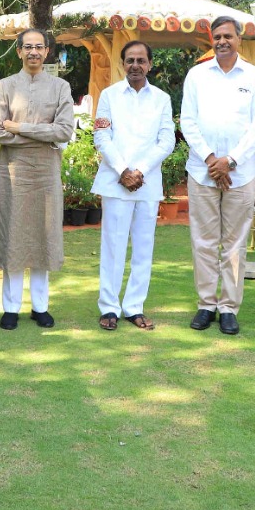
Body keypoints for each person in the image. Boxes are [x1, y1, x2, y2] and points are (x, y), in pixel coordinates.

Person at [180, 15, 255, 335]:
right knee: (203, 242)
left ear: (239, 40)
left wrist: (229, 161)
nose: (222, 41)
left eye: (228, 36)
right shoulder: (197, 75)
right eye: (217, 36)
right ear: (211, 39)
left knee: (234, 245)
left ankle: (229, 307)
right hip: (202, 171)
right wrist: (211, 159)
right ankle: (206, 304)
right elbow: (188, 121)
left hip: (240, 174)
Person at [0, 28, 74, 330]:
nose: (34, 52)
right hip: (13, 172)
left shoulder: (60, 87)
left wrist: (19, 127)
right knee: (13, 235)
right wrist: (41, 134)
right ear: (19, 52)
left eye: (39, 47)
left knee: (43, 234)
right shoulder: (5, 86)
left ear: (47, 51)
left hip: (46, 173)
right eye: (28, 47)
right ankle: (10, 308)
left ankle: (41, 306)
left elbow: (64, 131)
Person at [91, 41, 175, 331]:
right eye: (130, 60)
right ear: (123, 64)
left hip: (147, 184)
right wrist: (123, 170)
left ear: (150, 64)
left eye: (141, 60)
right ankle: (109, 308)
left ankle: (134, 307)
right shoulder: (110, 95)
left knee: (143, 248)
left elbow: (167, 140)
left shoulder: (161, 98)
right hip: (116, 182)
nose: (135, 65)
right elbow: (102, 137)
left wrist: (139, 171)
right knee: (113, 246)